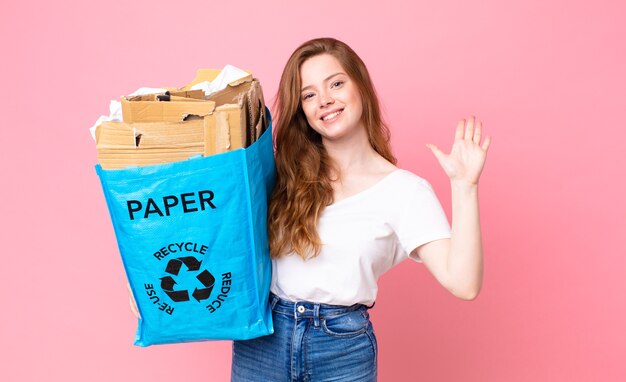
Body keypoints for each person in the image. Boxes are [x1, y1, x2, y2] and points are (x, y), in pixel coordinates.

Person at [129, 37, 491, 382]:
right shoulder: (281, 172)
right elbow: (218, 230)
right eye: (309, 94)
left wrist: (464, 187)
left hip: (341, 347)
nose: (325, 100)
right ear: (302, 109)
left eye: (335, 84)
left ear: (360, 86)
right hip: (264, 339)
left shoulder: (405, 192)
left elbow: (463, 283)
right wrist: (152, 286)